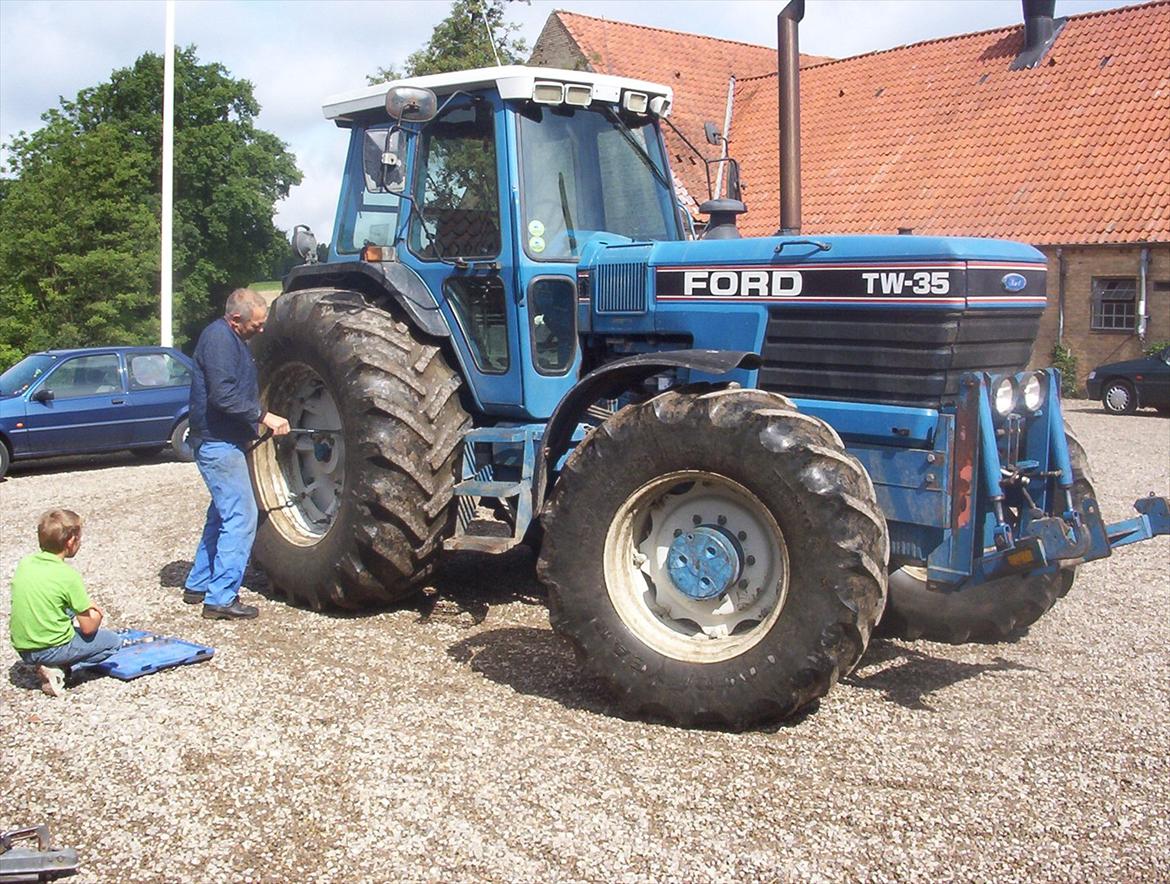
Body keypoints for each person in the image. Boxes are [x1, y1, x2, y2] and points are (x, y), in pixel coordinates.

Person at [184, 288, 289, 620]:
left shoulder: (232, 340)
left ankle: (198, 584)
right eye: (256, 325)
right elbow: (223, 396)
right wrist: (263, 416)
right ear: (235, 319)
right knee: (241, 517)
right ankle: (221, 599)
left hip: (225, 441)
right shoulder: (218, 340)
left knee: (220, 515)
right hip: (217, 443)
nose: (260, 330)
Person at [9, 509, 123, 697]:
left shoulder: (25, 563)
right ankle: (58, 669)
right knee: (113, 642)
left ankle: (49, 661)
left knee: (64, 605)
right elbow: (88, 628)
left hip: (23, 647)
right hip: (49, 648)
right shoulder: (68, 576)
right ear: (71, 542)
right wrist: (97, 612)